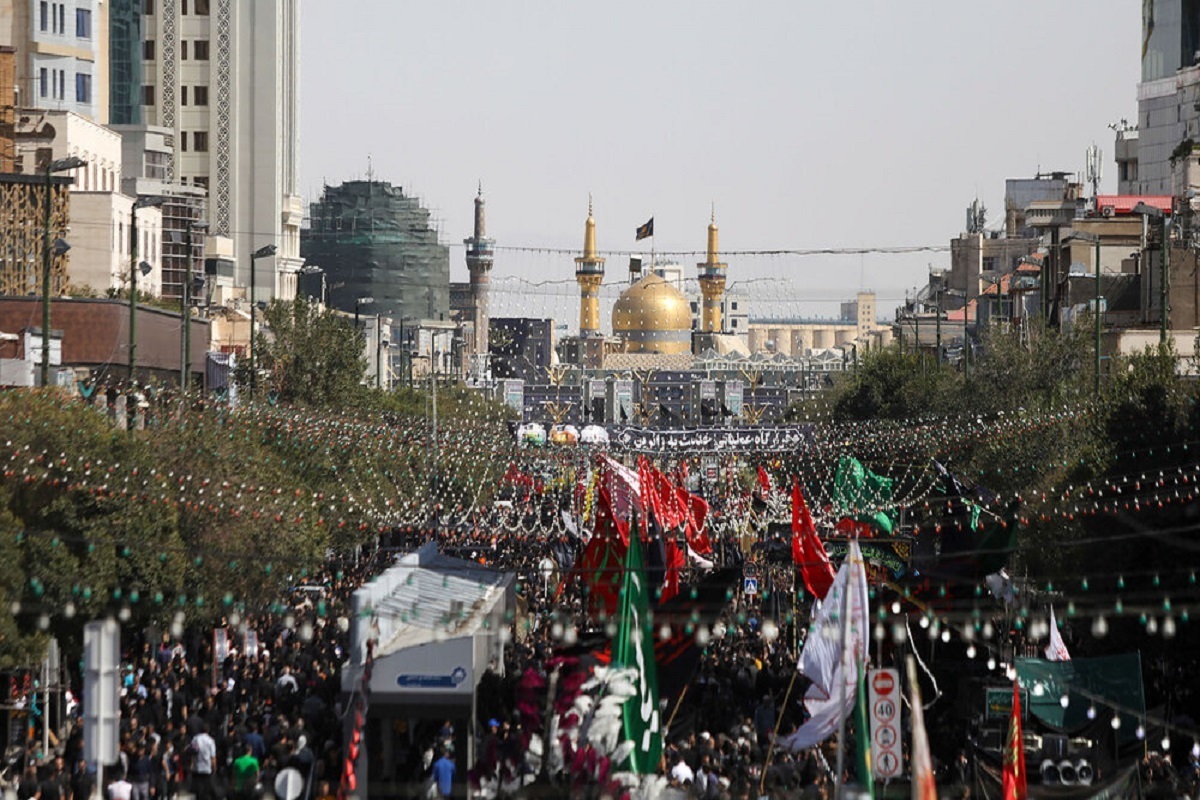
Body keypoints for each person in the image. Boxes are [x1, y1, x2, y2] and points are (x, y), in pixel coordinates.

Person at [189, 722, 218, 800]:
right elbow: (213, 756)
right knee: (206, 789)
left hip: (197, 767)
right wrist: (214, 767)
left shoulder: (195, 739)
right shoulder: (210, 741)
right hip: (207, 767)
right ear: (208, 730)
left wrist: (191, 764)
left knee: (198, 789)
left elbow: (192, 752)